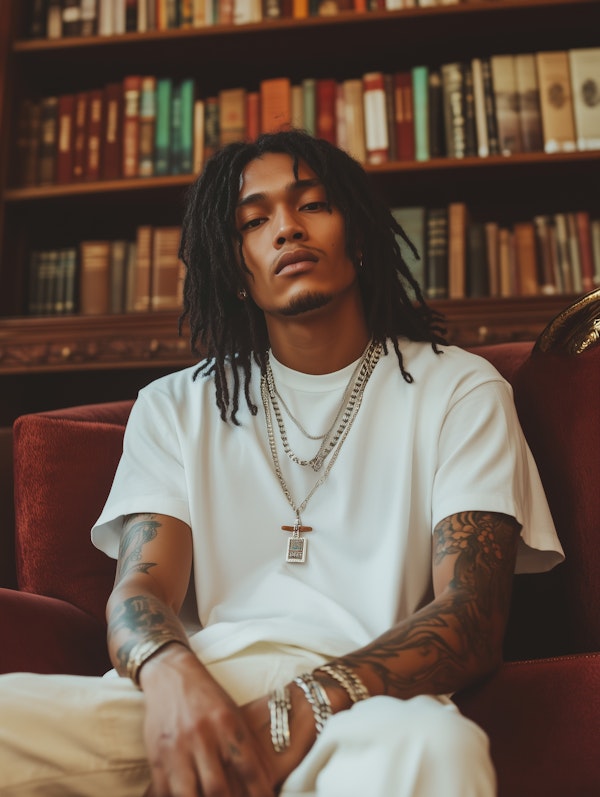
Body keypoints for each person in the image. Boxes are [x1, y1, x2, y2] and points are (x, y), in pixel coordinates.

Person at [0, 130, 564, 797]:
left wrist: (294, 709)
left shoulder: (458, 389)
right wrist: (174, 680)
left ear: (356, 233)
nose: (287, 228)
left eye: (313, 204)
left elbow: (471, 617)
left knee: (436, 747)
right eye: (254, 220)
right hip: (188, 699)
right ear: (233, 266)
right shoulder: (176, 405)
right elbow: (140, 591)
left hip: (363, 702)